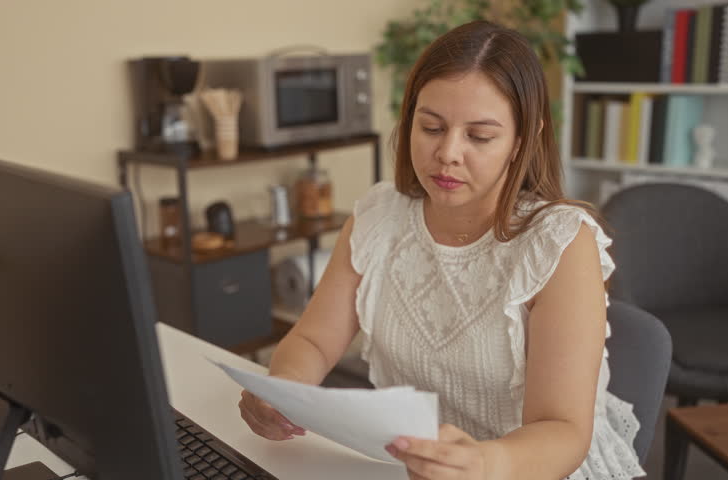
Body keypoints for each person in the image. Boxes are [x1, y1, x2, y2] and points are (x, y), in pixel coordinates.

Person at [239, 20, 645, 480]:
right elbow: (312, 340)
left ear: (523, 140)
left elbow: (563, 430)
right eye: (431, 126)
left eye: (479, 136)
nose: (448, 153)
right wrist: (285, 389)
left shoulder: (561, 243)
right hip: (414, 465)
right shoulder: (379, 218)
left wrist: (486, 462)